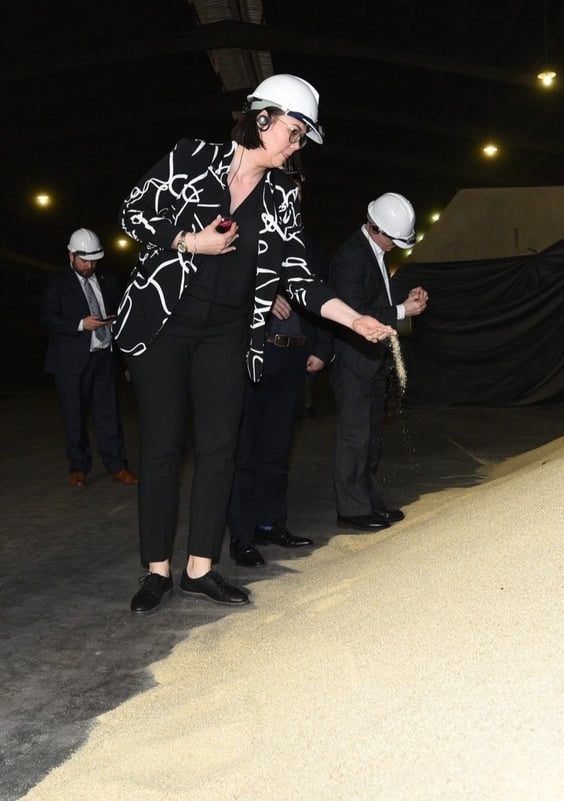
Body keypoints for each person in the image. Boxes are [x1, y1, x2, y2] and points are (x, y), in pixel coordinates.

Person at [116, 74, 396, 614]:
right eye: (294, 132)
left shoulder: (281, 196)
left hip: (228, 334)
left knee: (221, 450)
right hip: (164, 327)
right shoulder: (191, 156)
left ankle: (201, 568)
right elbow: (132, 212)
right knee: (163, 448)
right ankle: (157, 571)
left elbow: (300, 274)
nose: (296, 146)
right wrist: (190, 241)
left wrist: (352, 318)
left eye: (302, 138)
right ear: (263, 118)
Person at [226, 164, 331, 567]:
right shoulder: (241, 234)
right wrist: (264, 299)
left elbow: (322, 297)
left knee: (277, 448)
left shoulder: (310, 244)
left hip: (293, 355)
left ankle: (272, 524)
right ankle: (243, 535)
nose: (292, 199)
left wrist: (322, 347)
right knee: (245, 449)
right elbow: (222, 286)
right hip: (255, 352)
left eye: (298, 192)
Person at [328, 192, 428, 531]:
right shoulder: (350, 257)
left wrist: (403, 302)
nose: (395, 246)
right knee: (354, 437)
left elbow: (375, 303)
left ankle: (369, 502)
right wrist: (401, 311)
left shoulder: (376, 253)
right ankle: (351, 510)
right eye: (393, 239)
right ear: (374, 226)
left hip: (372, 359)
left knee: (370, 437)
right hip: (353, 361)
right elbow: (354, 313)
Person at [40, 228, 138, 488]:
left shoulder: (108, 280)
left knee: (110, 415)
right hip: (71, 361)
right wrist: (80, 324)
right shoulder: (57, 282)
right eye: (85, 260)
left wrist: (117, 321)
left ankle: (117, 466)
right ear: (71, 255)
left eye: (94, 260)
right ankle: (78, 468)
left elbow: (120, 310)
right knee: (75, 415)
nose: (90, 265)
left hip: (104, 358)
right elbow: (47, 317)